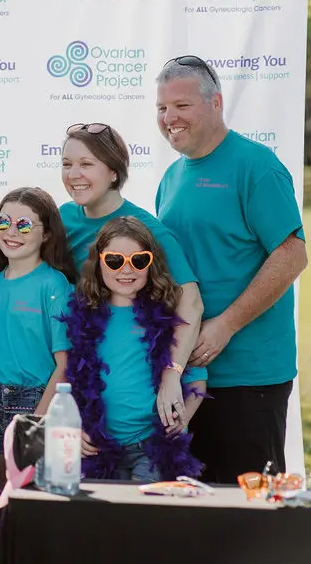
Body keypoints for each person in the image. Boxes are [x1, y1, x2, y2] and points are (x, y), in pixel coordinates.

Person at [155, 56, 307, 481]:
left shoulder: (255, 166)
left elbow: (293, 254)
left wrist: (225, 325)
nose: (170, 118)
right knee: (189, 515)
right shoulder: (171, 177)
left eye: (182, 106)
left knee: (244, 522)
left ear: (216, 102)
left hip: (248, 377)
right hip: (186, 378)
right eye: (162, 108)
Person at [60, 122, 203, 436]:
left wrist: (172, 375)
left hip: (135, 401)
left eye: (86, 164)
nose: (73, 174)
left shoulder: (146, 228)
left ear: (113, 171)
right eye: (67, 164)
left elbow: (190, 302)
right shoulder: (62, 220)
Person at [63, 216, 206, 481]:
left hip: (151, 447)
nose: (126, 270)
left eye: (138, 261)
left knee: (143, 517)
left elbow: (197, 379)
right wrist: (72, 424)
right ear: (98, 263)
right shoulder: (83, 316)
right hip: (98, 446)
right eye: (115, 261)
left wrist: (183, 418)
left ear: (151, 264)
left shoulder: (169, 317)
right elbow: (68, 378)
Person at [0, 188, 75, 471]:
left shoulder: (54, 285)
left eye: (24, 225)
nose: (12, 232)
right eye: (3, 222)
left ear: (46, 234)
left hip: (37, 400)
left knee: (32, 500)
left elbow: (65, 364)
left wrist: (38, 421)